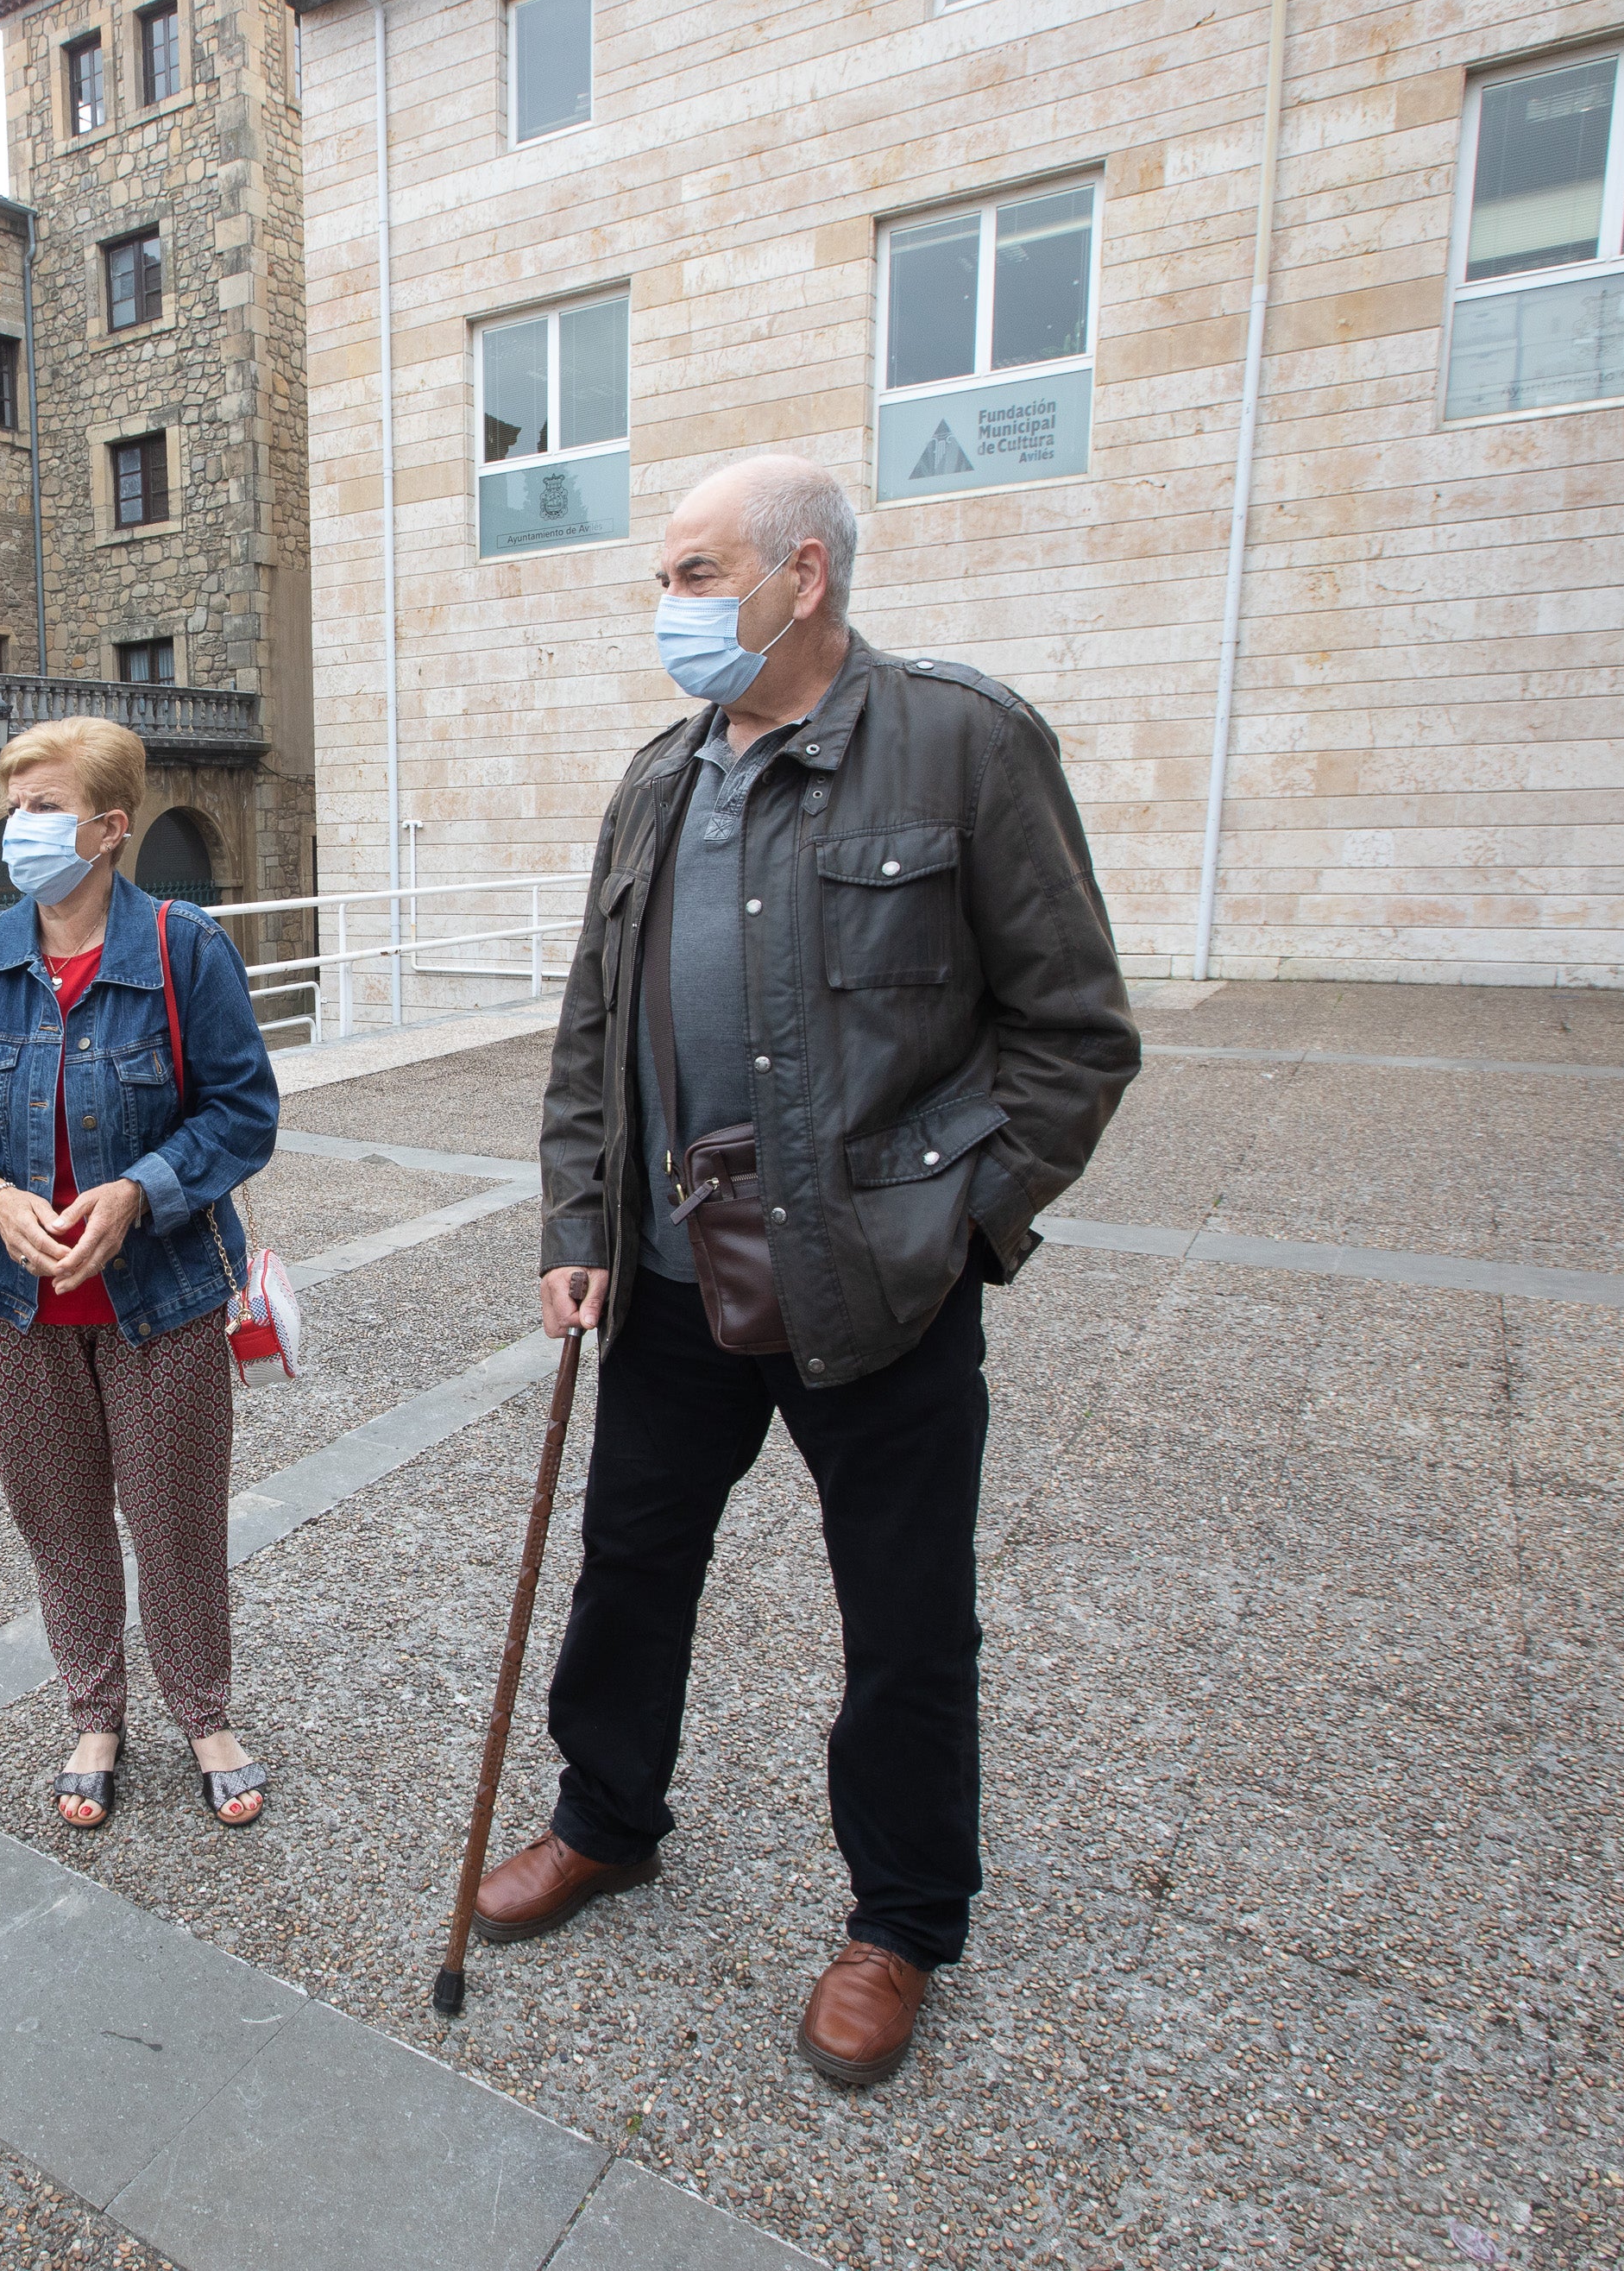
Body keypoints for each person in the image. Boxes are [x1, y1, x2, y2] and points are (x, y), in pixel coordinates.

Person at [488, 456, 1138, 2087]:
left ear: (805, 574)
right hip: (667, 1276)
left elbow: (1074, 1034)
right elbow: (591, 1038)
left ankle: (903, 1918)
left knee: (905, 1620)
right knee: (628, 1571)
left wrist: (959, 1223)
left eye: (698, 574)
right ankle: (605, 1820)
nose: (671, 608)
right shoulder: (657, 780)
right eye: (666, 578)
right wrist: (579, 1226)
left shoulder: (960, 741)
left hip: (877, 1285)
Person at [0, 719, 280, 1830]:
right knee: (57, 1518)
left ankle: (203, 1711)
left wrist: (141, 1190)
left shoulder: (182, 951)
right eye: (12, 807)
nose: (20, 828)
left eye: (43, 807)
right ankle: (93, 1712)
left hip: (162, 1300)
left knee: (176, 1517)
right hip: (10, 1304)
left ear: (111, 828)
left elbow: (243, 1115)